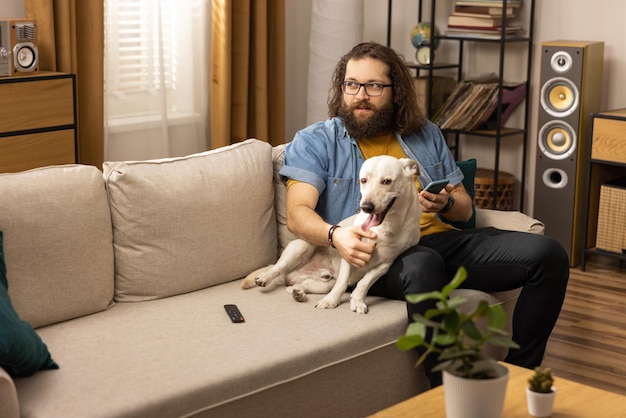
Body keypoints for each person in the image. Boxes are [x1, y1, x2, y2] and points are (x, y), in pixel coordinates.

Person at [279, 41, 569, 387]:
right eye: (351, 84)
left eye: (373, 86)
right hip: (377, 254)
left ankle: (521, 378)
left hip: (441, 239)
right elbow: (297, 214)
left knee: (548, 254)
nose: (361, 95)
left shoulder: (425, 134)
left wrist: (445, 203)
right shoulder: (317, 141)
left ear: (395, 90)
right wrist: (336, 236)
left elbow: (464, 209)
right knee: (423, 264)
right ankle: (446, 394)